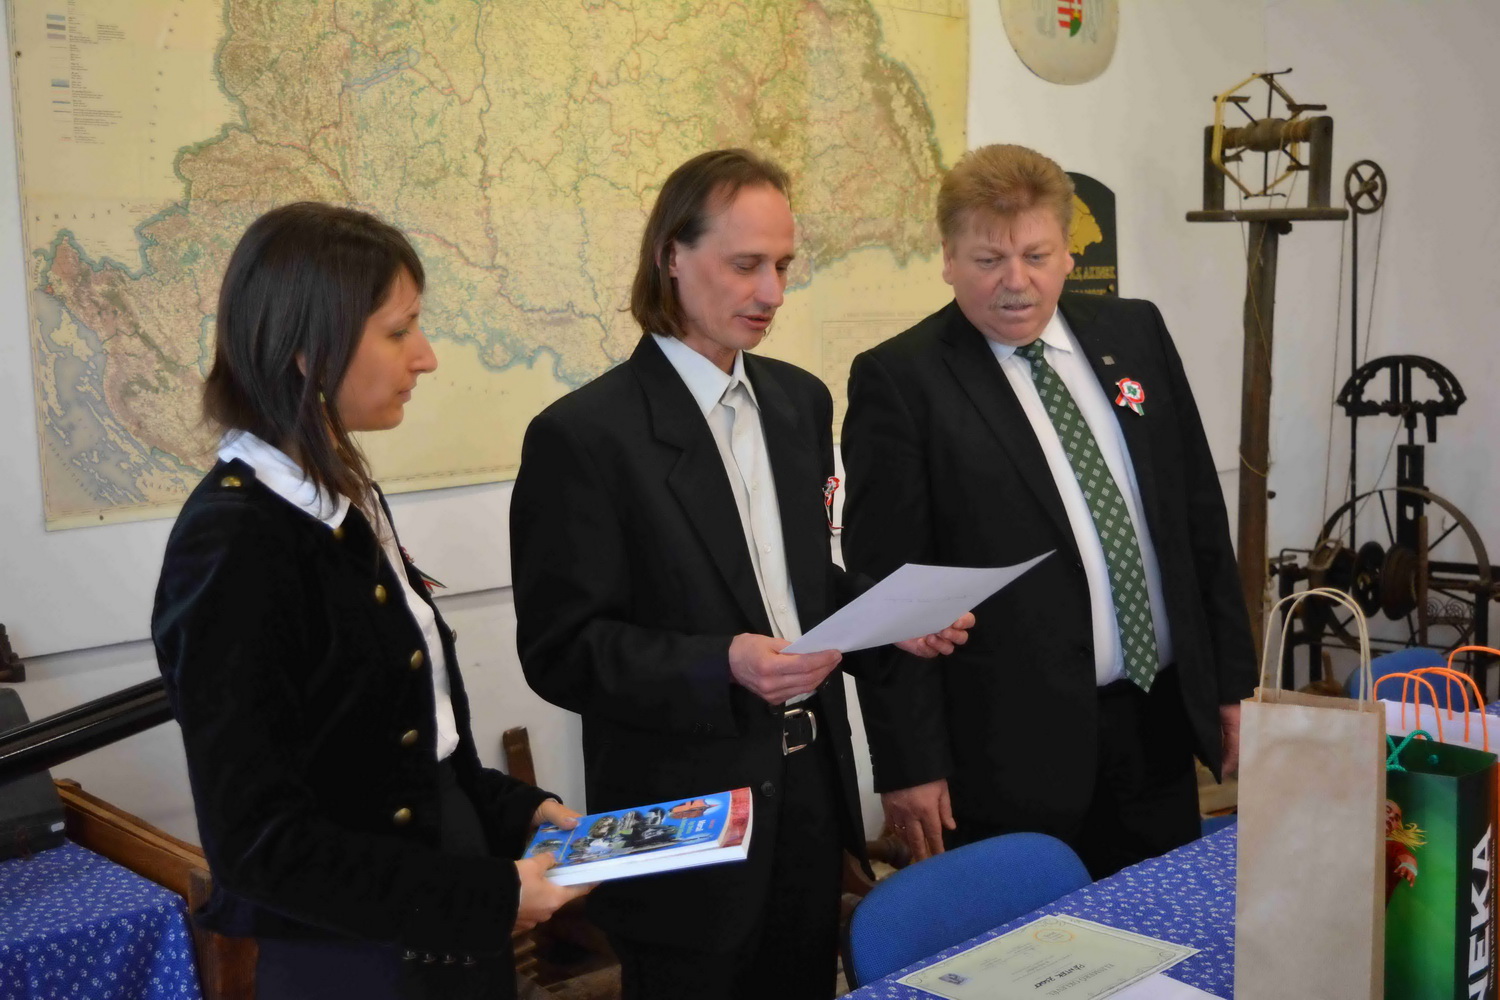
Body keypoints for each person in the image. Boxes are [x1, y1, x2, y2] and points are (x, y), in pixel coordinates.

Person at [509, 149, 970, 1000]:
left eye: (783, 266)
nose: (772, 293)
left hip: (808, 792)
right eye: (746, 264)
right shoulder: (584, 435)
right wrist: (721, 662)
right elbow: (561, 651)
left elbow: (794, 587)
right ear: (671, 257)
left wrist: (887, 618)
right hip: (680, 819)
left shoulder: (798, 401)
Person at [151, 202, 589, 1000]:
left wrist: (516, 811)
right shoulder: (235, 543)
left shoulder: (342, 493)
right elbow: (261, 847)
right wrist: (486, 896)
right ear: (305, 351)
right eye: (398, 331)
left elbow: (396, 749)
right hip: (357, 963)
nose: (425, 357)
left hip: (438, 928)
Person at [841, 143, 1256, 880]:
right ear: (948, 258)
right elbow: (892, 596)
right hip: (1006, 756)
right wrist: (910, 764)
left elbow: (1196, 516)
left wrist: (1231, 687)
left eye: (1036, 256)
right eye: (988, 259)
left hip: (1156, 724)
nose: (1016, 282)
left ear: (1068, 252)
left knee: (1154, 932)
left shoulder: (1135, 334)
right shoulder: (901, 381)